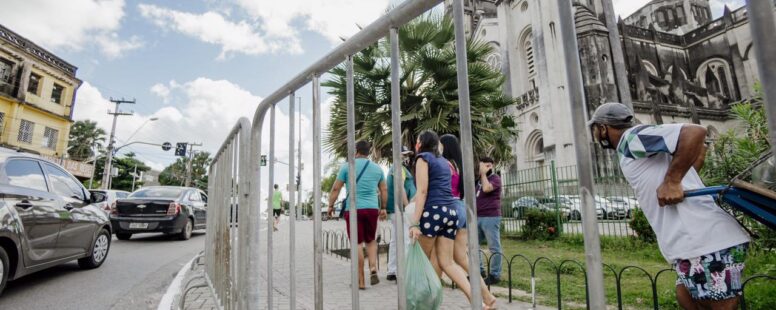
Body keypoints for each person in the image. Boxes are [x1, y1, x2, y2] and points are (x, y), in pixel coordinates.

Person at [588, 102, 750, 310]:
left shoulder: (631, 139)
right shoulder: (637, 148)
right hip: (691, 242)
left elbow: (696, 132)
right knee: (686, 297)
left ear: (603, 128)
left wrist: (672, 180)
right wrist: (678, 177)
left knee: (718, 305)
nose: (594, 134)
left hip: (704, 241)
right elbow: (697, 151)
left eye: (594, 128)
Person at [409, 131, 491, 309]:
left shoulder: (423, 158)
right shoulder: (445, 163)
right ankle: (479, 302)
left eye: (417, 141)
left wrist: (414, 223)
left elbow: (422, 192)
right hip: (452, 213)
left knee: (424, 263)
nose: (415, 144)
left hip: (434, 212)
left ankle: (427, 303)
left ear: (422, 143)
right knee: (449, 262)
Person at [440, 134, 498, 307]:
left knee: (446, 261)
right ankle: (487, 296)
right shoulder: (459, 166)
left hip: (450, 209)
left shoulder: (444, 165)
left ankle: (478, 300)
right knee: (462, 259)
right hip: (461, 208)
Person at [327, 140, 388, 289]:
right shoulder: (377, 169)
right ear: (368, 151)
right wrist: (384, 207)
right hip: (372, 209)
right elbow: (384, 190)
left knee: (357, 243)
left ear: (356, 150)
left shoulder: (347, 167)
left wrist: (330, 205)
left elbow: (336, 188)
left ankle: (360, 281)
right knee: (371, 240)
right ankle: (373, 268)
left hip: (353, 209)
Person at [386, 146, 417, 281]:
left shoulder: (395, 168)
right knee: (405, 240)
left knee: (395, 240)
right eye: (403, 155)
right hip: (401, 209)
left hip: (395, 210)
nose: (406, 157)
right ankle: (403, 273)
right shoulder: (398, 169)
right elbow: (401, 188)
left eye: (406, 155)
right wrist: (407, 207)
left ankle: (392, 270)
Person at [476, 156, 503, 285]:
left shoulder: (495, 179)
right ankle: (479, 271)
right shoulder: (479, 181)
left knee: (494, 247)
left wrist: (483, 174)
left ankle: (495, 274)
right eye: (481, 165)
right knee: (473, 245)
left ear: (491, 166)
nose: (482, 168)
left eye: (486, 166)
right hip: (477, 216)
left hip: (491, 216)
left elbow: (487, 189)